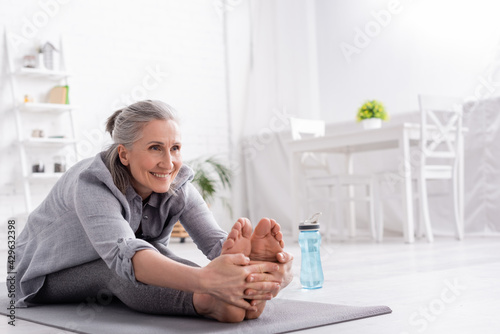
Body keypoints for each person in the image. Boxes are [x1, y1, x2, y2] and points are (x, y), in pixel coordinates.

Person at [10, 100, 293, 323]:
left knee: (162, 257)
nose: (168, 162)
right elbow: (126, 256)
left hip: (122, 257)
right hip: (41, 274)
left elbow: (218, 245)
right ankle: (208, 302)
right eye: (155, 148)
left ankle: (242, 296)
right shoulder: (91, 182)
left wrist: (263, 272)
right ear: (124, 154)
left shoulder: (177, 183)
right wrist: (207, 281)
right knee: (118, 268)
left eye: (175, 148)